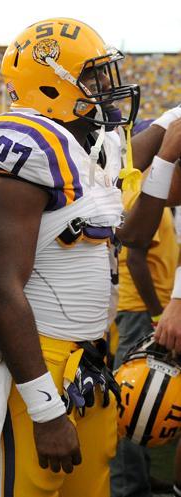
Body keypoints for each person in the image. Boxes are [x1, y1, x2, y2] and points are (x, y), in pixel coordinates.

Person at [0, 18, 181, 497]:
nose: (109, 87)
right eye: (94, 76)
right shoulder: (30, 146)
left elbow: (139, 229)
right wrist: (44, 408)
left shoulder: (91, 146)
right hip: (33, 356)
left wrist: (167, 148)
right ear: (50, 83)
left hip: (91, 357)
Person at [110, 128, 179, 497]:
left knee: (155, 401)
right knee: (135, 403)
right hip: (141, 310)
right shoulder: (143, 192)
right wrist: (157, 312)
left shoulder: (157, 194)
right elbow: (135, 256)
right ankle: (127, 485)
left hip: (153, 306)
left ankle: (139, 475)